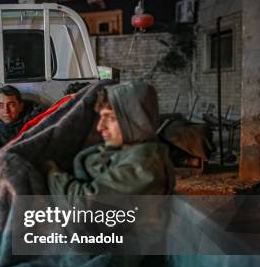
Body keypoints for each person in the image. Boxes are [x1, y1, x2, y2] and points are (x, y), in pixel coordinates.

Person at [47, 81, 175, 196]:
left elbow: (84, 204)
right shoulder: (129, 152)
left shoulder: (145, 165)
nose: (100, 127)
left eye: (111, 118)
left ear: (136, 121)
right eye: (101, 117)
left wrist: (52, 174)